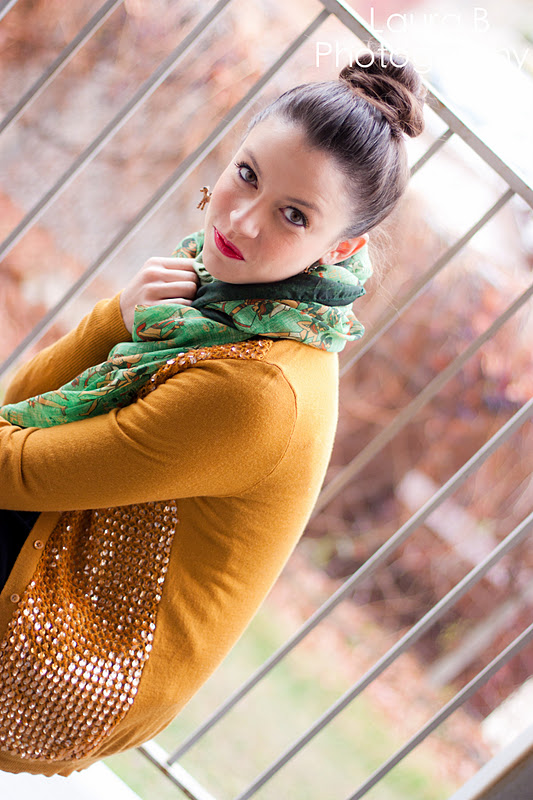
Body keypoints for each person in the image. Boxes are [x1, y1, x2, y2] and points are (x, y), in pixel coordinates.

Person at [0, 46, 426, 776]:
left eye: (293, 215)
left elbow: (17, 472)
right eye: (248, 174)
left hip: (76, 656)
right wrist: (115, 320)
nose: (243, 220)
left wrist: (109, 326)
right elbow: (20, 412)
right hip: (59, 549)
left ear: (341, 247)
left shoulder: (259, 389)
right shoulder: (223, 292)